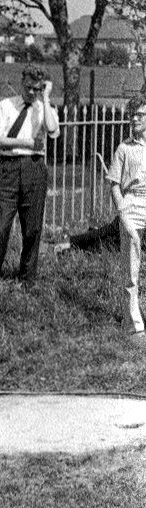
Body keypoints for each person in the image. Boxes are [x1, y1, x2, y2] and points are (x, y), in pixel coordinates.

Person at [0, 65, 60, 287]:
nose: (31, 92)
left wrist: (46, 98)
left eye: (37, 88)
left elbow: (52, 131)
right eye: (28, 87)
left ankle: (27, 280)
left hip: (34, 169)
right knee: (2, 225)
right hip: (9, 168)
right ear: (21, 82)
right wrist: (25, 142)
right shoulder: (6, 106)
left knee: (32, 228)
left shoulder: (45, 108)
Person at [106, 95, 146, 344]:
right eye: (133, 115)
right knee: (131, 267)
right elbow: (113, 184)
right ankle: (134, 324)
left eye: (140, 115)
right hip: (131, 205)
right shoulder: (124, 148)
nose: (134, 119)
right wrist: (122, 211)